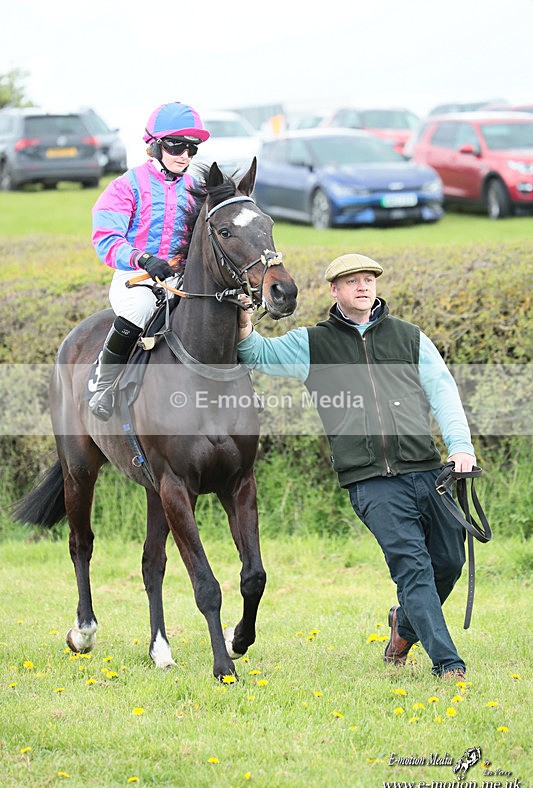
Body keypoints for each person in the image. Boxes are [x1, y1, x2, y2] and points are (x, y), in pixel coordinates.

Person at [237, 253, 476, 680]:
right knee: (414, 567)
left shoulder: (409, 338)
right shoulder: (313, 342)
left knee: (449, 562)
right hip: (370, 481)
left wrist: (460, 447)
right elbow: (255, 353)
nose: (363, 287)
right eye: (352, 282)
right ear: (335, 291)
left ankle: (403, 626)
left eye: (369, 280)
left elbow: (443, 393)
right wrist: (241, 320)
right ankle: (448, 664)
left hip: (426, 471)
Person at [89, 101, 210, 421]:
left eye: (192, 149)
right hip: (135, 278)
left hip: (179, 279)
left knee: (218, 309)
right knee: (140, 309)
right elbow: (105, 239)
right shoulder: (124, 186)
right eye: (176, 146)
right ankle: (104, 384)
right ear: (154, 145)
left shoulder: (197, 189)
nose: (184, 155)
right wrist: (142, 258)